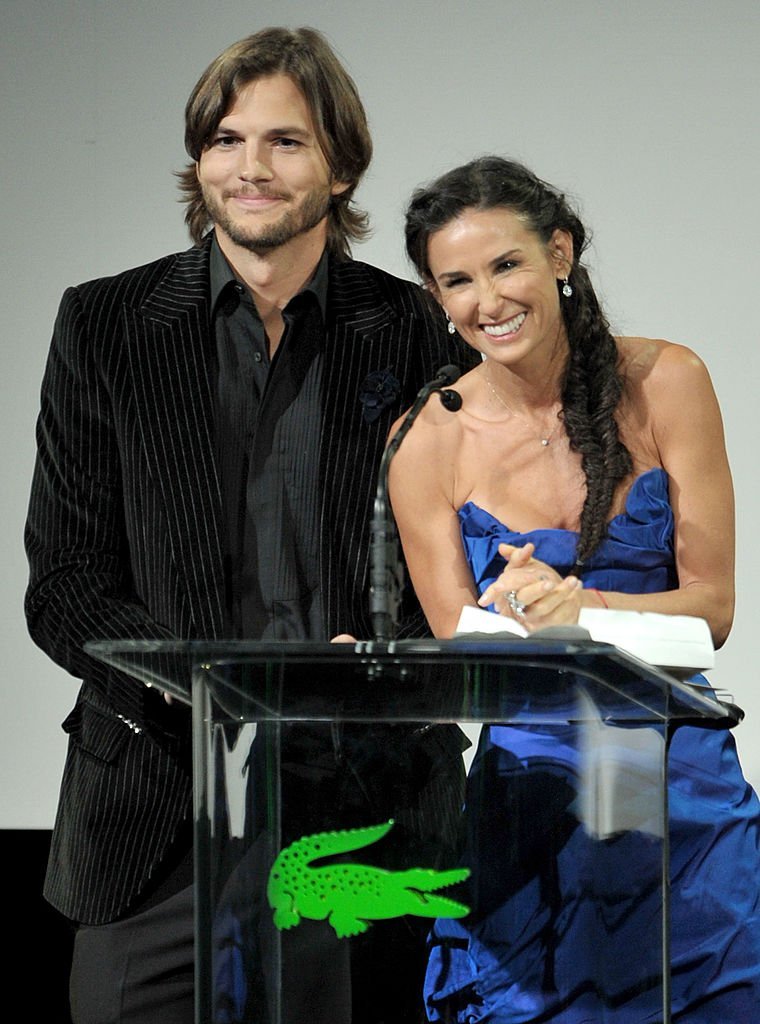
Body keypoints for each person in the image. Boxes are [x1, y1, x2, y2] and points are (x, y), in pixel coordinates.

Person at [24, 27, 475, 1024]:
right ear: (199, 159)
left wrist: (381, 665)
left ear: (341, 166)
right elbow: (63, 582)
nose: (249, 168)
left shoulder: (413, 330)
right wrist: (208, 682)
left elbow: (457, 567)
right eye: (226, 139)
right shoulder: (105, 324)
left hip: (366, 810)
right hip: (156, 806)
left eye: (285, 141)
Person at [388, 155, 760, 1020]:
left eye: (506, 263)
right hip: (533, 805)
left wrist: (582, 609)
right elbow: (460, 660)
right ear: (437, 300)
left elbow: (714, 611)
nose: (487, 299)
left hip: (678, 783)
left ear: (560, 253)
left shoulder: (669, 380)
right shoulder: (423, 442)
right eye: (457, 280)